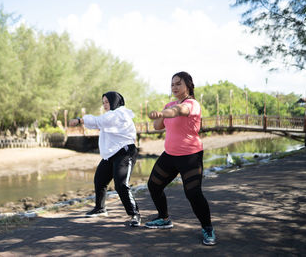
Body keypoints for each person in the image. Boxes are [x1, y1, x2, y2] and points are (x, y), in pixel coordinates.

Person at [145, 71, 217, 246]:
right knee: (153, 185)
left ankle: (208, 228)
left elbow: (179, 111)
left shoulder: (192, 104)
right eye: (172, 84)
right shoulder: (169, 104)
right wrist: (159, 115)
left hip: (190, 156)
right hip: (170, 155)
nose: (174, 87)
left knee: (193, 193)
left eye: (178, 84)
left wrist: (165, 112)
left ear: (188, 86)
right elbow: (157, 127)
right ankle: (164, 218)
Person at [69, 91, 141, 227]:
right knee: (100, 180)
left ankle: (134, 214)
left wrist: (80, 120)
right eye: (103, 103)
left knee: (121, 184)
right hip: (111, 154)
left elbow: (99, 121)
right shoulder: (111, 115)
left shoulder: (120, 114)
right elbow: (100, 123)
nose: (105, 105)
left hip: (125, 152)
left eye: (107, 102)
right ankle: (100, 208)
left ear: (115, 101)